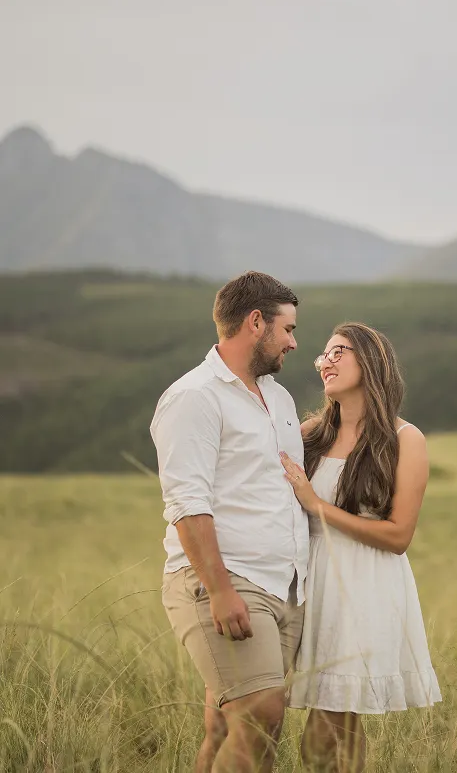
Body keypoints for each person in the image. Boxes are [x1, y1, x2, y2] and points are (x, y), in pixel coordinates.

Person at [151, 271, 308, 773]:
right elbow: (187, 502)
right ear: (255, 322)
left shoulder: (277, 399)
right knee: (262, 715)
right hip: (224, 581)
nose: (294, 342)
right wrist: (219, 589)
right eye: (286, 329)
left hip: (282, 585)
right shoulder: (194, 396)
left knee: (228, 726)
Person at [280, 322, 441, 772]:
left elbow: (398, 536)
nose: (324, 361)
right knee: (336, 718)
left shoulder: (404, 439)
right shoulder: (311, 433)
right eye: (322, 355)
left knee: (328, 722)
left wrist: (316, 506)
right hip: (309, 581)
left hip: (363, 585)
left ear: (370, 361)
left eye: (339, 352)